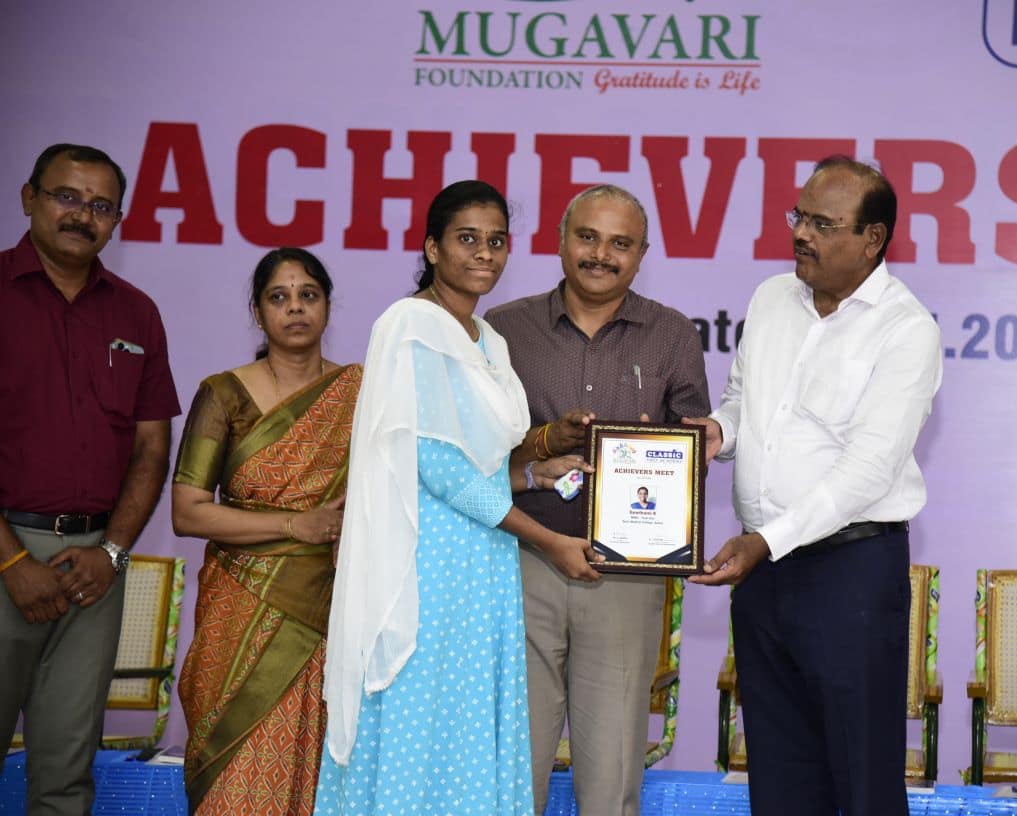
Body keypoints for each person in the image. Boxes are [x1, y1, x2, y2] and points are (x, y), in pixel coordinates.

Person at [316, 180, 600, 816]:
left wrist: (536, 475)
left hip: (482, 564)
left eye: (496, 241)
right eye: (467, 239)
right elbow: (437, 468)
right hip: (426, 568)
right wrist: (550, 540)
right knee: (422, 727)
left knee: (465, 730)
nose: (484, 254)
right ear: (432, 248)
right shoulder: (411, 325)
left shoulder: (487, 340)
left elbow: (482, 467)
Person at [685, 156, 941, 816]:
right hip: (765, 578)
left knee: (861, 779)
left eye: (823, 224)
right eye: (799, 216)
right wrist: (717, 431)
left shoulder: (906, 329)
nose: (801, 234)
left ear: (872, 239)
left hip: (849, 574)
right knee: (778, 773)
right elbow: (743, 400)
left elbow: (867, 471)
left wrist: (764, 541)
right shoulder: (771, 298)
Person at [486, 184, 710, 816]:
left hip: (626, 578)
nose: (601, 255)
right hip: (519, 561)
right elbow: (473, 453)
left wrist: (659, 458)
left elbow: (694, 456)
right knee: (509, 769)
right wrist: (540, 449)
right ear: (561, 242)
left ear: (642, 255)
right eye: (588, 237)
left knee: (611, 777)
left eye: (620, 243)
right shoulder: (502, 330)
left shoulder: (672, 335)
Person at [0, 143, 180, 814]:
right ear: (29, 198)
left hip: (94, 572)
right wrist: (12, 561)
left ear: (117, 220)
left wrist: (112, 553)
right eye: (67, 197)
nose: (82, 215)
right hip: (3, 556)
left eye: (101, 206)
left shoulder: (136, 313)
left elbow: (151, 447)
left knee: (66, 776)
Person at [169, 247, 360, 814]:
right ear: (258, 312)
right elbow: (188, 512)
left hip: (326, 611)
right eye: (279, 297)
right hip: (238, 609)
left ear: (327, 307)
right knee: (234, 778)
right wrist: (296, 524)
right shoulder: (223, 394)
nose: (295, 308)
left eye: (308, 295)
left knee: (316, 774)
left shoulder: (360, 393)